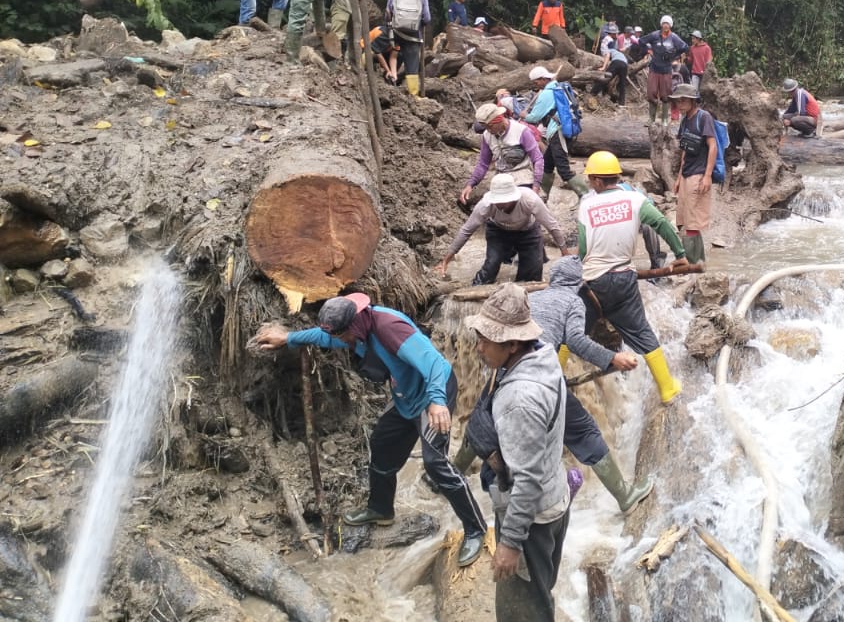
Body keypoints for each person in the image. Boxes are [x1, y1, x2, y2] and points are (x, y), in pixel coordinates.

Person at [251, 295, 488, 566]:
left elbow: (435, 363)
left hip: (433, 393)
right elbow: (326, 337)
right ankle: (380, 509)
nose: (345, 340)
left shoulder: (390, 326)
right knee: (381, 446)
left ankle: (475, 529)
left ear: (358, 319)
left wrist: (436, 401)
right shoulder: (355, 330)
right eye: (341, 335)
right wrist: (289, 338)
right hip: (406, 396)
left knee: (436, 464)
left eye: (345, 334)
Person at [464, 285, 570, 622]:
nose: (478, 347)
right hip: (555, 500)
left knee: (520, 611)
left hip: (531, 519)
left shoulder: (518, 399)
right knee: (540, 593)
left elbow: (527, 480)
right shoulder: (543, 355)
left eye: (486, 340)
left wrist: (510, 543)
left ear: (512, 344)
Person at [520, 257, 654, 512]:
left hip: (510, 366)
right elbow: (575, 341)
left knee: (487, 416)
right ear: (580, 284)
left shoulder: (533, 299)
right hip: (541, 376)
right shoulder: (573, 301)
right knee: (583, 432)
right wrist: (612, 357)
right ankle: (625, 496)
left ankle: (444, 476)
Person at [577, 151, 689, 403]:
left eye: (590, 179)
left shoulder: (586, 205)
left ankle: (555, 378)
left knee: (571, 332)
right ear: (616, 176)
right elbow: (662, 223)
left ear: (596, 181)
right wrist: (680, 254)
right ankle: (667, 388)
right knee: (642, 333)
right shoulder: (635, 200)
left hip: (593, 283)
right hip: (624, 280)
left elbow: (583, 248)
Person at [435, 174, 571, 285]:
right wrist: (447, 259)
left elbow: (552, 225)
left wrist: (564, 251)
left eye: (503, 201)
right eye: (497, 201)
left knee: (531, 277)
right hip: (498, 232)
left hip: (528, 233)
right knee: (491, 266)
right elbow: (466, 231)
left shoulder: (530, 200)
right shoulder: (485, 205)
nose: (499, 204)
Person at [523, 66, 588, 197]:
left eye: (536, 82)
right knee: (547, 165)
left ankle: (586, 196)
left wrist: (524, 115)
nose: (535, 85)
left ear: (542, 79)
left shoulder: (547, 93)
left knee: (563, 170)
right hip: (560, 131)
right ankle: (541, 196)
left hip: (558, 133)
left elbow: (534, 117)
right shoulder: (558, 88)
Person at [671, 84, 717, 265]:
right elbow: (685, 151)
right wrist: (678, 177)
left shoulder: (703, 118)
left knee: (693, 223)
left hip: (698, 174)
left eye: (684, 100)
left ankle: (693, 264)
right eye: (678, 100)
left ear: (692, 100)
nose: (680, 104)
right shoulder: (685, 121)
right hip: (686, 175)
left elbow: (712, 146)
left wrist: (707, 175)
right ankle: (696, 262)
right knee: (682, 221)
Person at [462, 103, 545, 201]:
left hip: (522, 176)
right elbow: (483, 164)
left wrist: (536, 186)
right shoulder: (487, 136)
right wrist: (471, 184)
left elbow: (538, 158)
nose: (488, 130)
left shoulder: (521, 131)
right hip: (501, 178)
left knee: (520, 203)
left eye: (490, 126)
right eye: (486, 127)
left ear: (498, 120)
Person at [385, 0, 431, 96]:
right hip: (413, 35)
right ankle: (413, 94)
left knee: (387, 52)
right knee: (412, 66)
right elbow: (427, 19)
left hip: (394, 33)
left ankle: (386, 79)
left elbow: (388, 14)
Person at [638, 16, 689, 125]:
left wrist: (674, 55)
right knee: (651, 93)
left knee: (666, 94)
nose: (666, 25)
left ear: (670, 25)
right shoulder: (655, 35)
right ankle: (651, 119)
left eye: (668, 24)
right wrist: (648, 51)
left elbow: (684, 47)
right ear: (661, 24)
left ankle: (665, 119)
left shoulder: (674, 37)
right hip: (654, 68)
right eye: (664, 23)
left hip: (666, 69)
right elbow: (641, 41)